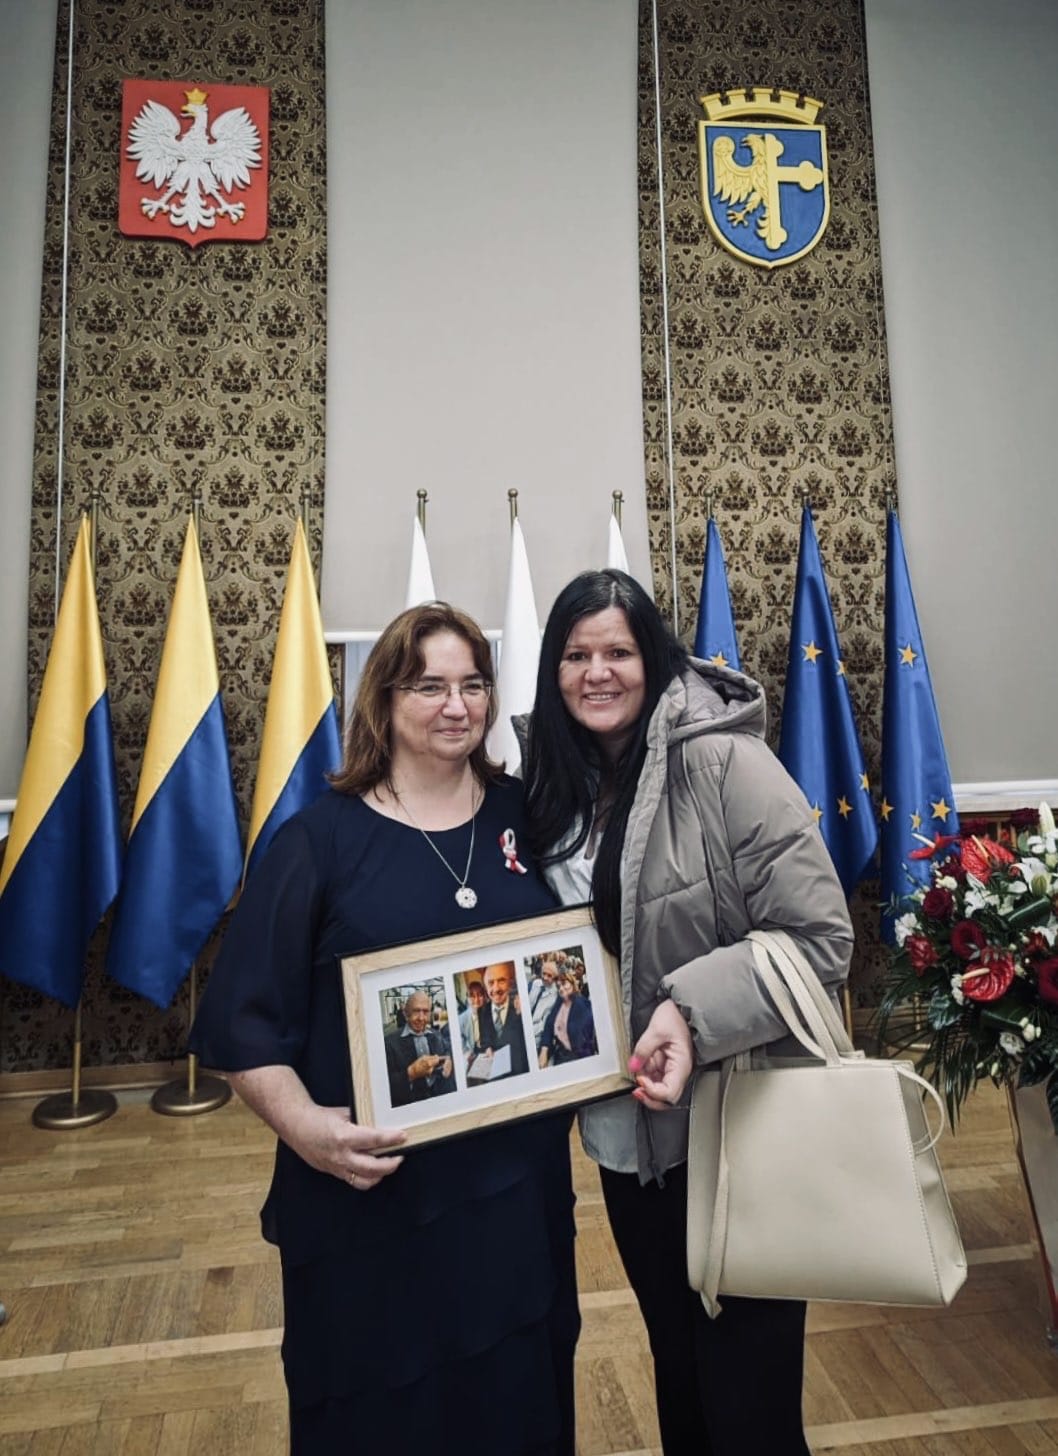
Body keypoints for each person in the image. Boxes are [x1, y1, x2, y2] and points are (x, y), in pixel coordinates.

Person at [190, 602, 579, 1456]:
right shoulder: (316, 842)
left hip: (514, 1195)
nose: (457, 706)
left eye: (473, 684)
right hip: (371, 1198)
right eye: (429, 686)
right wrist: (306, 1129)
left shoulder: (529, 815)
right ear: (384, 699)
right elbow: (245, 1025)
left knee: (517, 1401)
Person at [521, 569, 854, 1456]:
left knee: (750, 1403)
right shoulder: (551, 786)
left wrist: (688, 1012)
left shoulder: (724, 762)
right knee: (681, 1375)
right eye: (576, 655)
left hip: (737, 1128)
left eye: (618, 652)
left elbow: (823, 939)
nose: (598, 672)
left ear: (656, 659)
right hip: (628, 1142)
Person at [385, 989, 455, 1107]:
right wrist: (411, 1073)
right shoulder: (389, 1043)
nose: (421, 1018)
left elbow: (447, 1051)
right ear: (406, 1013)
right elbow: (384, 1086)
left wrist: (449, 1060)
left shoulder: (436, 1035)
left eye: (425, 1012)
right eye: (416, 1011)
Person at [476, 961, 530, 1077]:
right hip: (495, 1074)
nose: (496, 989)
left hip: (520, 1073)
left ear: (510, 984)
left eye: (501, 981)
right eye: (490, 983)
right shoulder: (482, 1011)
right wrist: (487, 1048)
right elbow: (484, 1039)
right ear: (485, 987)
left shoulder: (521, 1006)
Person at [538, 970, 596, 1067]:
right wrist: (544, 1049)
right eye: (558, 986)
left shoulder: (582, 1004)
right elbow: (549, 1024)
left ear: (572, 984)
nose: (561, 989)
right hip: (560, 1053)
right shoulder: (560, 1002)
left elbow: (584, 1040)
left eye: (564, 984)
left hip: (577, 1058)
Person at [528, 957, 560, 1042]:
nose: (545, 977)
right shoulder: (536, 983)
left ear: (554, 978)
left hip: (536, 1034)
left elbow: (544, 1023)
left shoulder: (555, 997)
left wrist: (529, 1031)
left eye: (549, 976)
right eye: (544, 974)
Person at [458, 978, 488, 1062]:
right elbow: (459, 1038)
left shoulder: (490, 1012)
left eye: (480, 995)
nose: (476, 1000)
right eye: (472, 996)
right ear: (467, 999)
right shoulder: (461, 1019)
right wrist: (466, 1052)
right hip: (473, 1051)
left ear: (484, 997)